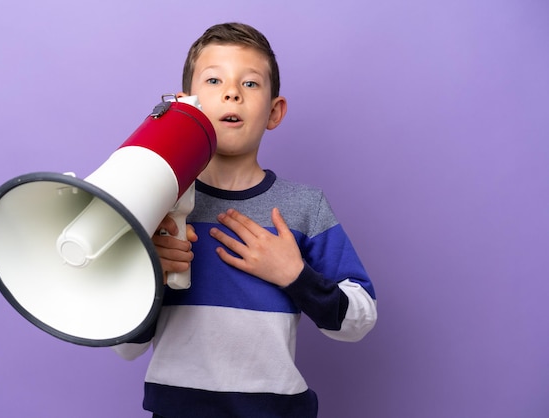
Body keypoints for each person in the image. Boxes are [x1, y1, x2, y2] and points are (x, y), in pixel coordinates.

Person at [112, 22, 377, 418]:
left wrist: (295, 275)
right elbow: (126, 347)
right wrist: (150, 274)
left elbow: (360, 319)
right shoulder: (155, 207)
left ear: (274, 111)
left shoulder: (304, 206)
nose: (232, 92)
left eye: (250, 84)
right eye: (215, 80)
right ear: (188, 105)